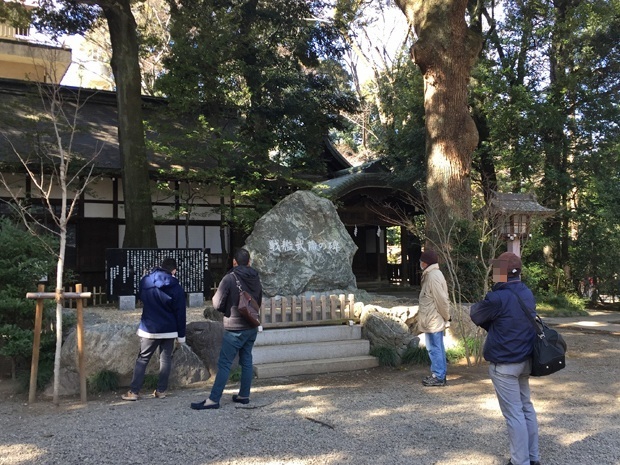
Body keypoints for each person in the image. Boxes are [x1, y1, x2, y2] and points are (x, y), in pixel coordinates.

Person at [469, 252, 540, 465]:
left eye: (496, 269)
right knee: (526, 407)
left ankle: (520, 461)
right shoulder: (526, 293)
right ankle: (533, 457)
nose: (493, 273)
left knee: (514, 414)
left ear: (503, 273)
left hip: (505, 364)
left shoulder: (497, 297)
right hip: (526, 360)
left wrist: (493, 325)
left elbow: (476, 314)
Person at [191, 248, 262, 410]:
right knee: (246, 360)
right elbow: (258, 299)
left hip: (235, 327)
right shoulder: (256, 277)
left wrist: (227, 309)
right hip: (251, 325)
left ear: (234, 262)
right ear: (249, 262)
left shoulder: (230, 278)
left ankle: (214, 399)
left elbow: (216, 303)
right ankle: (244, 395)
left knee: (224, 363)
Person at [122, 257, 186, 401]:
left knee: (143, 359)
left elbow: (142, 297)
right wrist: (181, 335)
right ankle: (161, 390)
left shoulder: (146, 281)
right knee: (165, 360)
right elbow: (180, 312)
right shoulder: (176, 287)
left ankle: (134, 391)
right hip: (169, 328)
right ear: (174, 271)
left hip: (149, 327)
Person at [418, 248, 451, 387]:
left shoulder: (433, 276)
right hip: (431, 317)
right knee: (436, 347)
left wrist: (447, 317)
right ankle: (438, 374)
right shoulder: (431, 274)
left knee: (434, 348)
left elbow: (442, 300)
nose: (420, 263)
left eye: (421, 261)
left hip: (433, 318)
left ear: (425, 263)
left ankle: (438, 376)